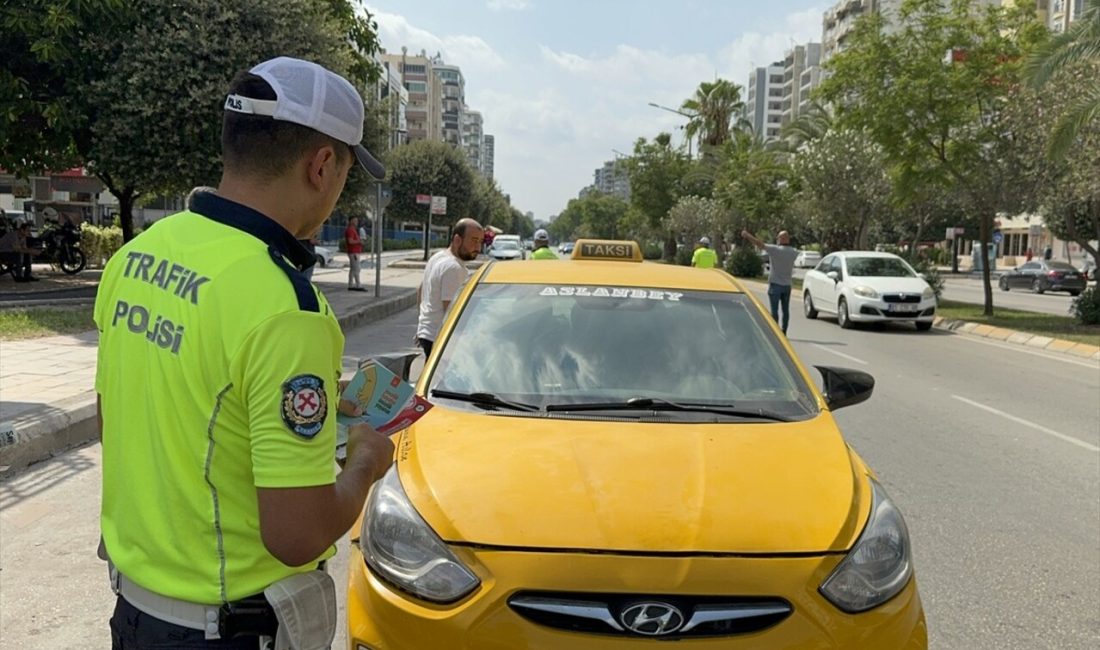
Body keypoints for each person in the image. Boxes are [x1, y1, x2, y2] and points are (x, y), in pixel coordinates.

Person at [93, 56, 394, 650]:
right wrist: (365, 461)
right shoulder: (286, 307)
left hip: (134, 613)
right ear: (323, 164)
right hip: (226, 630)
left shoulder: (137, 255)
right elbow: (298, 535)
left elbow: (120, 420)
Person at [415, 218, 483, 358]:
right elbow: (451, 311)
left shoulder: (438, 257)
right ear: (458, 239)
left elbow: (421, 290)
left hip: (427, 334)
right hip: (439, 338)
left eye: (480, 242)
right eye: (474, 240)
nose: (478, 247)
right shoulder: (454, 268)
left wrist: (423, 325)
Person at [742, 229, 798, 335]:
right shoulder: (793, 252)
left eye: (778, 237)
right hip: (787, 285)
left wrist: (748, 235)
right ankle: (784, 330)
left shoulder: (775, 250)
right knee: (785, 310)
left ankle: (775, 332)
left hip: (775, 284)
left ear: (781, 239)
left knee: (774, 310)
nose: (777, 239)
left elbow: (760, 244)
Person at [345, 216, 365, 291]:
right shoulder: (350, 230)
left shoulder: (354, 230)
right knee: (357, 268)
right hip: (353, 252)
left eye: (356, 220)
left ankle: (351, 284)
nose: (356, 222)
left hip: (355, 252)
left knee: (353, 269)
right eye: (354, 220)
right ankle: (358, 285)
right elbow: (350, 241)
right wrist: (359, 241)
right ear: (350, 221)